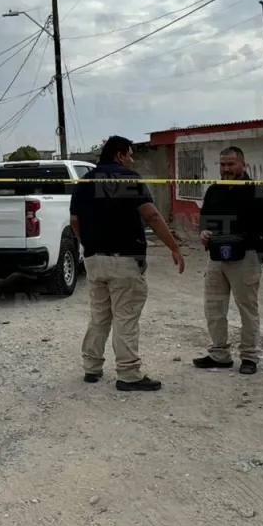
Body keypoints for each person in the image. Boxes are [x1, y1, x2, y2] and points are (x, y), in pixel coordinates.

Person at [71, 135, 185, 391]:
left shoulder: (83, 182)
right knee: (125, 317)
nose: (132, 160)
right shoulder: (129, 180)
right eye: (130, 155)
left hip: (94, 259)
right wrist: (174, 248)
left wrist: (89, 244)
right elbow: (152, 215)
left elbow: (74, 222)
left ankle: (91, 368)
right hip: (124, 260)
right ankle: (128, 374)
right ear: (119, 155)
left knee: (99, 316)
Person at [193, 146, 263, 375]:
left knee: (247, 309)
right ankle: (219, 354)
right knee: (213, 307)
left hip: (247, 257)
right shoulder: (214, 190)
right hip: (216, 257)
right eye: (222, 165)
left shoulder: (258, 191)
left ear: (243, 164)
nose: (226, 169)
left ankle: (249, 356)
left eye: (231, 164)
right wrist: (203, 233)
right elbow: (204, 220)